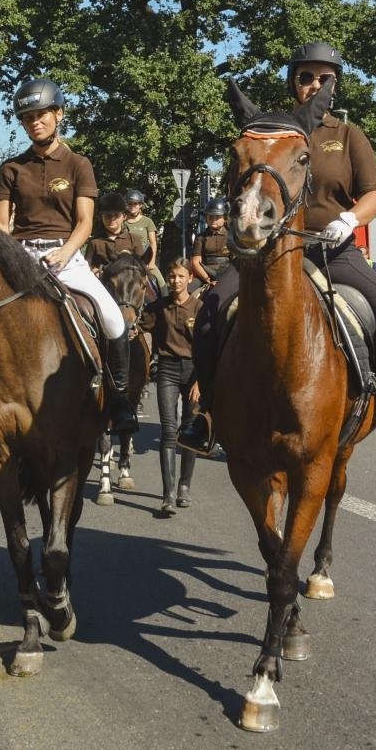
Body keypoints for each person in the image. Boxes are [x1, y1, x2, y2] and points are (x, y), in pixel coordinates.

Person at [178, 42, 376, 459]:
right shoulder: (271, 131)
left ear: (334, 86)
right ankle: (207, 413)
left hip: (333, 251)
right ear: (293, 83)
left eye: (323, 78)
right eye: (305, 77)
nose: (313, 84)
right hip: (269, 252)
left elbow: (374, 193)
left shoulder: (348, 135)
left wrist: (349, 220)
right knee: (211, 311)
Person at [0, 78, 138, 435]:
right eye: (27, 117)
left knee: (113, 319)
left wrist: (65, 252)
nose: (34, 122)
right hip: (21, 257)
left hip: (66, 256)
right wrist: (5, 254)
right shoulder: (11, 169)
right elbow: (0, 224)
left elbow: (86, 222)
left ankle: (119, 400)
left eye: (41, 114)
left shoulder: (78, 164)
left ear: (58, 114)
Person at [141, 258, 205, 515]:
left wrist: (201, 381)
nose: (175, 281)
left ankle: (184, 487)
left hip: (194, 372)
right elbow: (138, 327)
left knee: (188, 431)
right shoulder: (158, 307)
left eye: (180, 276)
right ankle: (167, 495)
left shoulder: (200, 308)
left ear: (190, 278)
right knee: (169, 430)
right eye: (171, 276)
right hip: (167, 369)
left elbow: (207, 348)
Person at [84, 191, 150, 274]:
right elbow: (86, 267)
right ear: (102, 217)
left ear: (124, 216)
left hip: (130, 282)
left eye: (116, 215)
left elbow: (141, 264)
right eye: (108, 215)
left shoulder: (134, 239)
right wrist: (95, 272)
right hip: (102, 282)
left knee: (153, 281)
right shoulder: (94, 242)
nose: (112, 219)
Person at [122, 189, 164, 293]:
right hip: (128, 258)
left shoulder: (147, 221)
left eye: (135, 204)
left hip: (145, 258)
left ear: (140, 205)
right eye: (129, 203)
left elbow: (153, 242)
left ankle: (165, 302)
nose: (132, 206)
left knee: (162, 283)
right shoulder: (122, 222)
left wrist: (152, 262)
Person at [188, 198, 232, 286]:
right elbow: (195, 262)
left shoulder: (231, 236)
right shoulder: (200, 237)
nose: (213, 219)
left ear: (225, 218)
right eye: (210, 216)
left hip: (227, 273)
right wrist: (207, 279)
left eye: (217, 216)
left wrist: (227, 276)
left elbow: (235, 262)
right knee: (189, 290)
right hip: (205, 273)